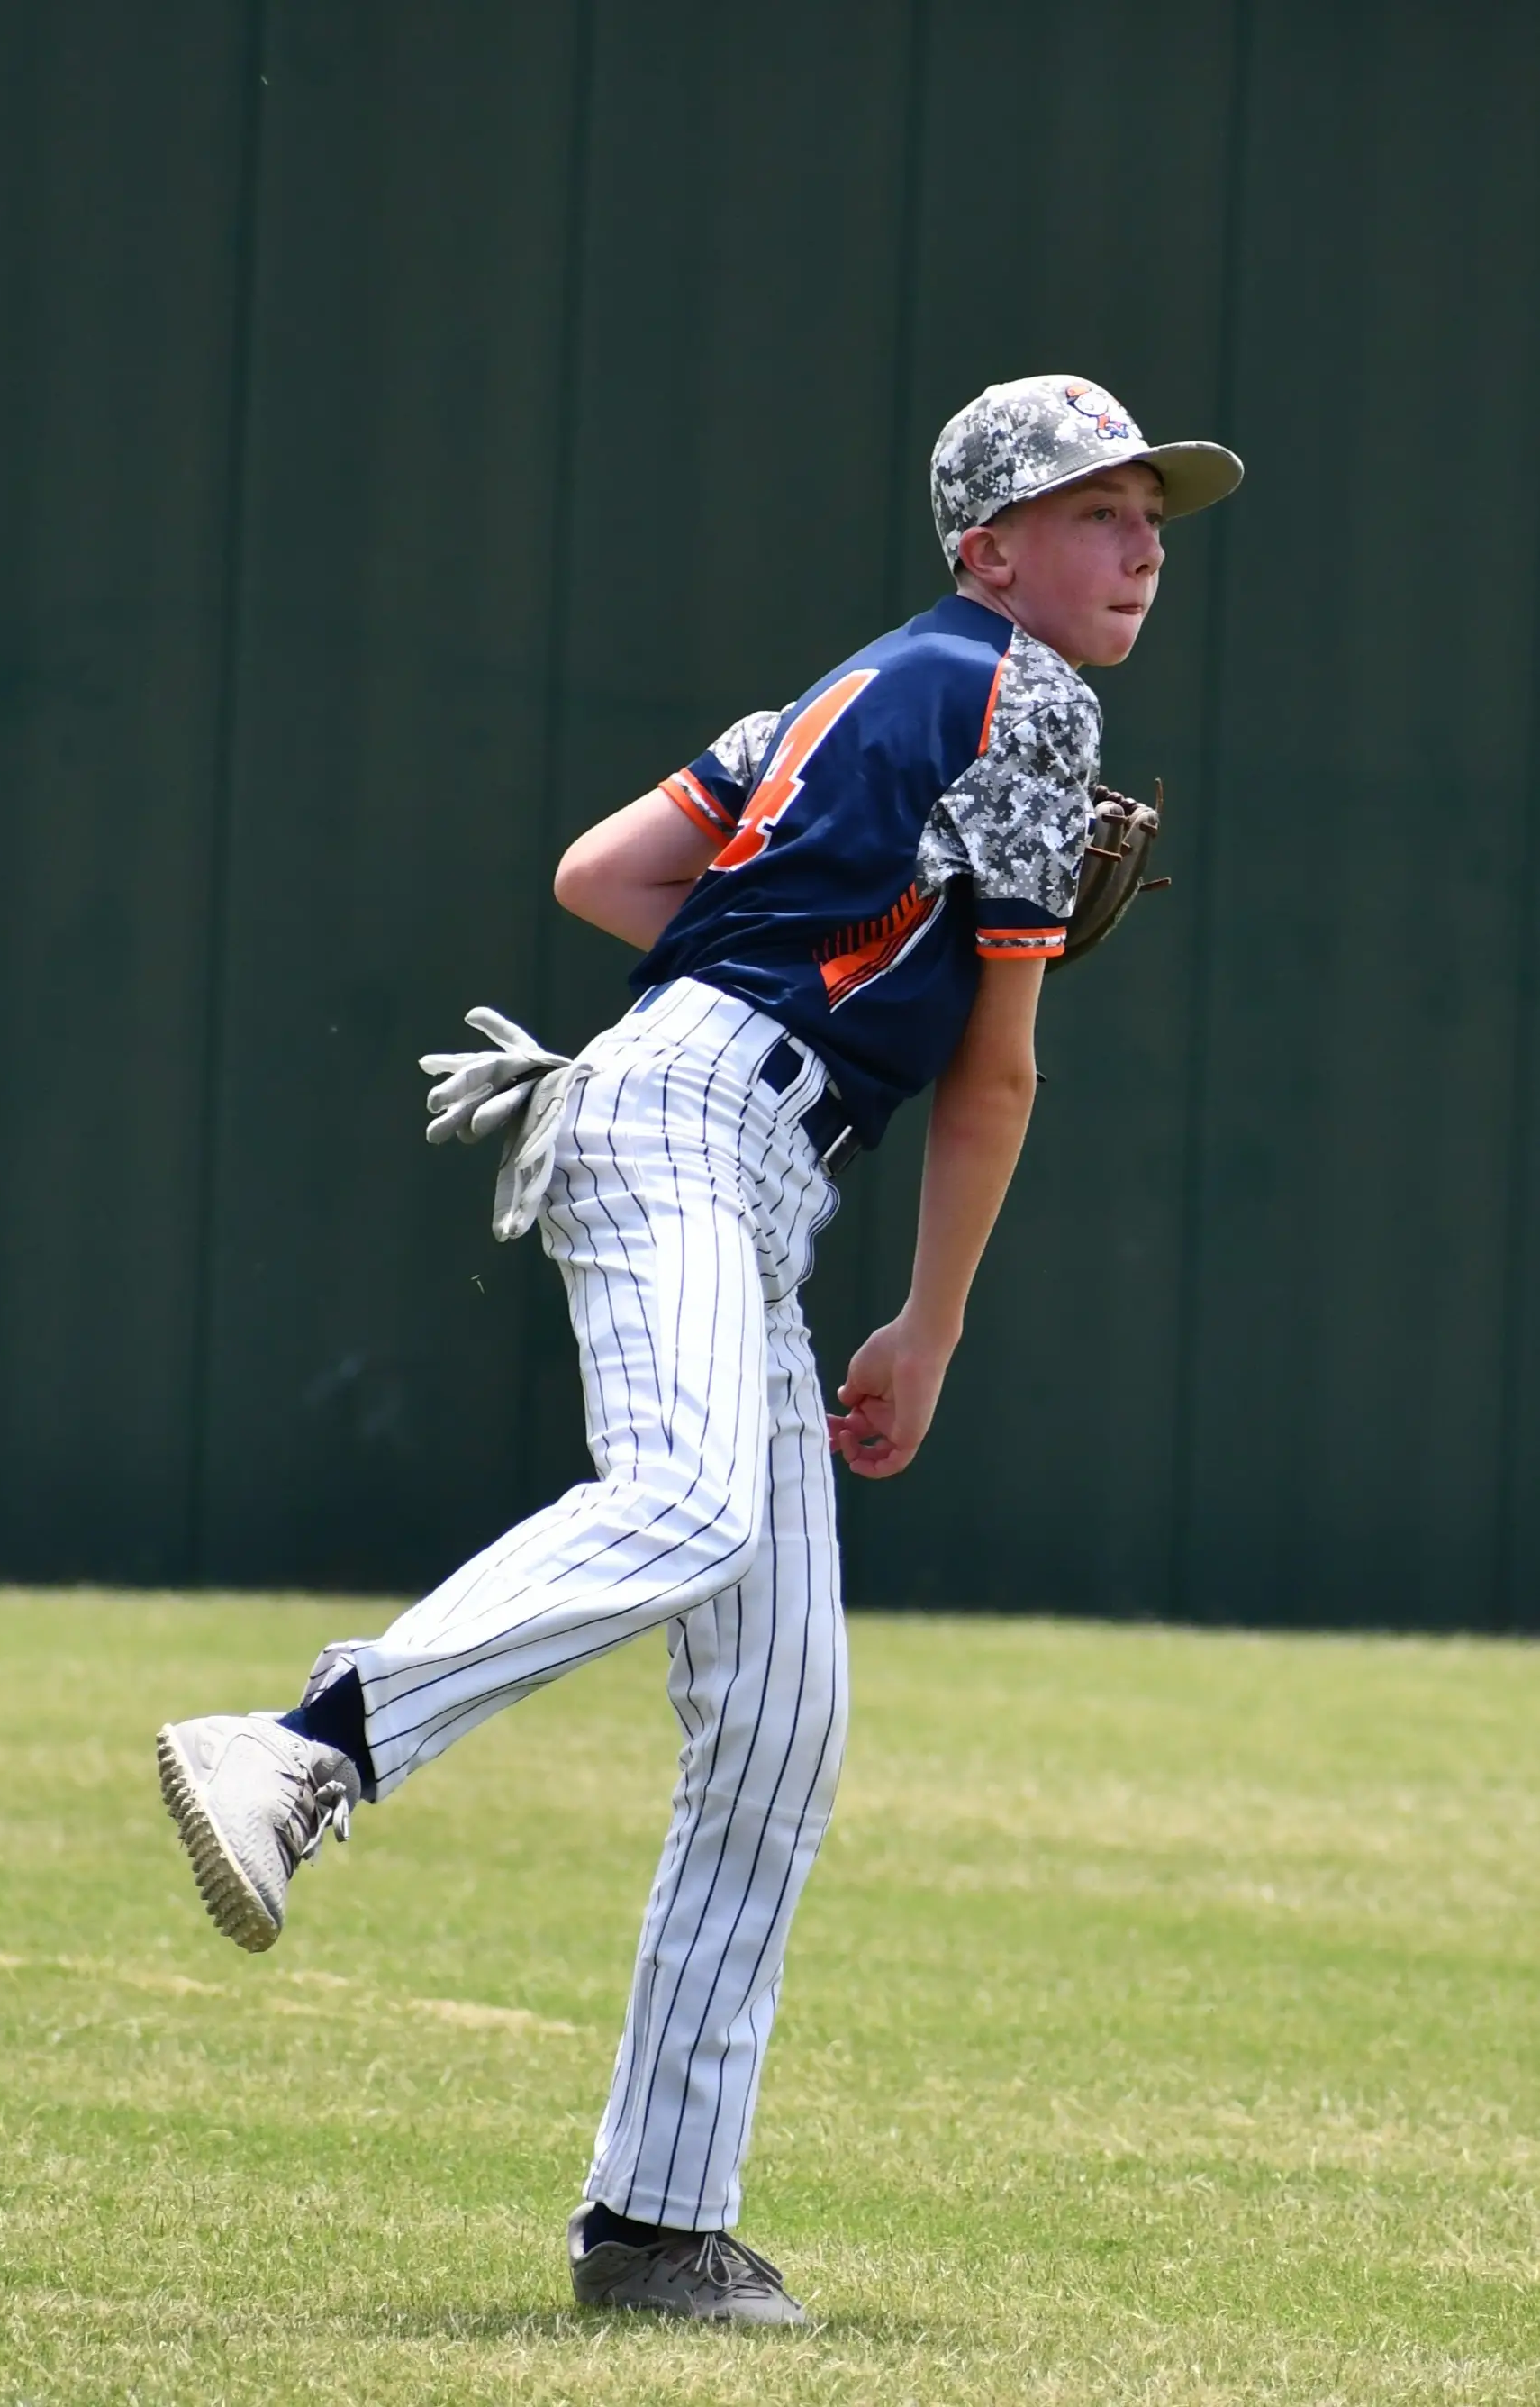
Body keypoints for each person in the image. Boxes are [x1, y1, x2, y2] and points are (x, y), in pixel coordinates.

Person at [156, 375, 1242, 2325]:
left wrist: (798, 943)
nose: (1141, 540)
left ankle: (657, 2224)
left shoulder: (852, 692)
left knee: (779, 1714)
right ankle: (312, 1746)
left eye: (1152, 512)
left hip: (719, 1132)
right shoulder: (1024, 698)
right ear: (989, 548)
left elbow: (605, 875)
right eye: (1095, 508)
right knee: (686, 1503)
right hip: (699, 1125)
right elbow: (992, 1079)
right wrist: (928, 1324)